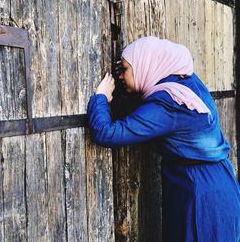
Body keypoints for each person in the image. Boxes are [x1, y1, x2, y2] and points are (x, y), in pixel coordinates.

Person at [87, 36, 240, 241]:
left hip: (199, 192)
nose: (121, 76)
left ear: (146, 65)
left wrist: (101, 98)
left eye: (125, 69)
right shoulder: (187, 84)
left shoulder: (168, 103)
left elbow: (106, 133)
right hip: (219, 182)